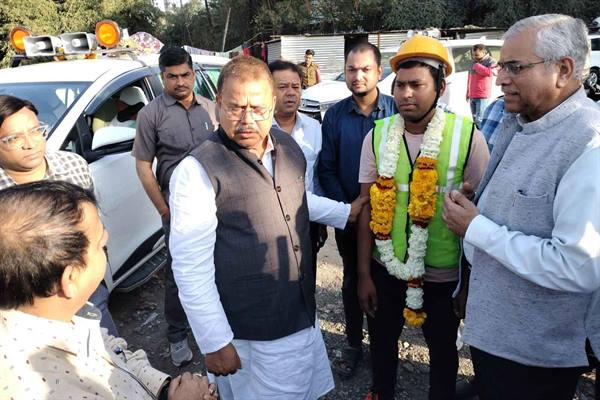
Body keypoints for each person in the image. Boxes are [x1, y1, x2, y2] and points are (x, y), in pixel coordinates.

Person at [442, 14, 600, 400]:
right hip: (499, 338)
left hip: (536, 356)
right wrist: (479, 203)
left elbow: (577, 266)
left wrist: (476, 227)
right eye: (501, 66)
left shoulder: (588, 143)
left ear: (563, 70)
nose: (499, 79)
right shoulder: (524, 119)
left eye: (515, 67)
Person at [168, 55, 334, 399]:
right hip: (252, 333)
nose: (247, 120)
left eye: (257, 109)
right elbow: (190, 267)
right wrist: (214, 341)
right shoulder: (196, 170)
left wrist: (347, 213)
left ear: (272, 104)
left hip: (300, 312)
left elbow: (296, 199)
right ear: (218, 103)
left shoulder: (288, 147)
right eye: (235, 108)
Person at [355, 35, 489, 400]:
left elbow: (482, 219)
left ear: (441, 88)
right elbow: (366, 207)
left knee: (443, 353)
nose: (406, 94)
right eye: (400, 85)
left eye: (417, 85)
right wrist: (364, 274)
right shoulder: (377, 136)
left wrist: (469, 284)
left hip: (444, 278)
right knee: (381, 344)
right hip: (387, 269)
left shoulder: (467, 137)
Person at [0, 180, 217, 400]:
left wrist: (163, 388)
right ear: (70, 278)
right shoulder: (40, 388)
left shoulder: (64, 312)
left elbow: (113, 352)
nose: (106, 249)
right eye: (101, 245)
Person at [0, 94, 119, 336]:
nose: (30, 143)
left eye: (36, 131)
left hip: (87, 287)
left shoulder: (73, 165)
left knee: (107, 346)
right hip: (26, 306)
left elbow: (93, 226)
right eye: (13, 138)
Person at [132, 46, 217, 367]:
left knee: (220, 264)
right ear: (162, 76)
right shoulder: (150, 114)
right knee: (179, 272)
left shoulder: (211, 108)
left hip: (216, 204)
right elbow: (143, 166)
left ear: (193, 73)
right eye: (172, 76)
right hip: (178, 210)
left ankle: (215, 325)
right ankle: (177, 334)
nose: (180, 82)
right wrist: (163, 209)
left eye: (185, 75)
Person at [318, 42, 397, 379]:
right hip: (350, 219)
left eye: (365, 69)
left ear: (379, 72)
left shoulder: (397, 110)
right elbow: (326, 168)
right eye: (351, 69)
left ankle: (385, 345)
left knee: (390, 281)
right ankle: (353, 343)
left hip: (395, 221)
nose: (358, 75)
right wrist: (347, 210)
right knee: (353, 279)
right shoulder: (335, 116)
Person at [268, 59, 369, 274]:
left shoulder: (314, 128)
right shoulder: (260, 131)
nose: (291, 93)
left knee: (306, 278)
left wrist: (322, 222)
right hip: (272, 224)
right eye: (283, 87)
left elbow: (317, 177)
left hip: (308, 222)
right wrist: (345, 212)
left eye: (296, 87)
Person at [466, 44, 497, 128]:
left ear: (483, 52)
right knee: (474, 119)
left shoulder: (490, 61)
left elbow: (492, 72)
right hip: (472, 95)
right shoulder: (473, 61)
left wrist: (478, 66)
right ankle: (476, 135)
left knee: (480, 120)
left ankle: (482, 135)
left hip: (482, 96)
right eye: (473, 55)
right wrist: (468, 93)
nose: (474, 57)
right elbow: (469, 78)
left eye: (477, 55)